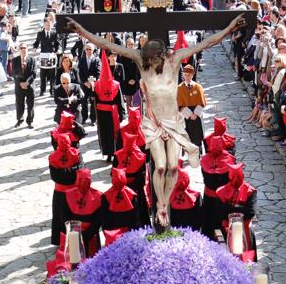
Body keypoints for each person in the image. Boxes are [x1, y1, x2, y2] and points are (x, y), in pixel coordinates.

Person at [64, 14, 246, 227]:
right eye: (150, 59)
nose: (153, 62)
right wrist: (80, 31)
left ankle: (164, 203)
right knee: (159, 167)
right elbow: (106, 43)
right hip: (154, 123)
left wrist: (231, 26)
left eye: (156, 58)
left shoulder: (176, 59)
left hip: (174, 122)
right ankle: (160, 206)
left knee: (174, 168)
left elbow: (207, 42)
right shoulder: (141, 62)